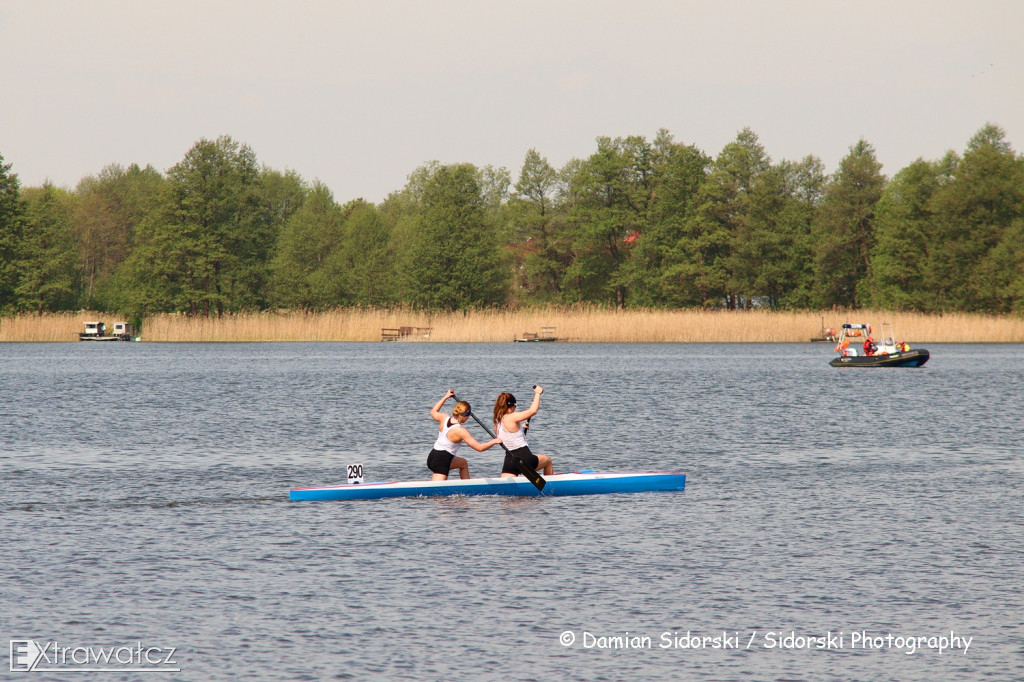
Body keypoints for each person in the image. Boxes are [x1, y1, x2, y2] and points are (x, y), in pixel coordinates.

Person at [427, 390, 501, 480]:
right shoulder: (461, 431)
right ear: (466, 415)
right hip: (442, 460)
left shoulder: (444, 417)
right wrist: (494, 441)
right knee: (437, 492)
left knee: (463, 463)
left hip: (432, 456)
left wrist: (446, 397)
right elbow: (479, 448)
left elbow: (433, 411)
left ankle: (468, 488)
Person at [493, 385, 553, 478]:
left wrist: (520, 428)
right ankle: (551, 488)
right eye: (515, 406)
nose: (515, 408)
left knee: (505, 490)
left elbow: (507, 434)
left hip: (509, 462)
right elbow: (533, 410)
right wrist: (537, 393)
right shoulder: (512, 416)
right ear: (512, 406)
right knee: (547, 460)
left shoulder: (497, 421)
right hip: (525, 459)